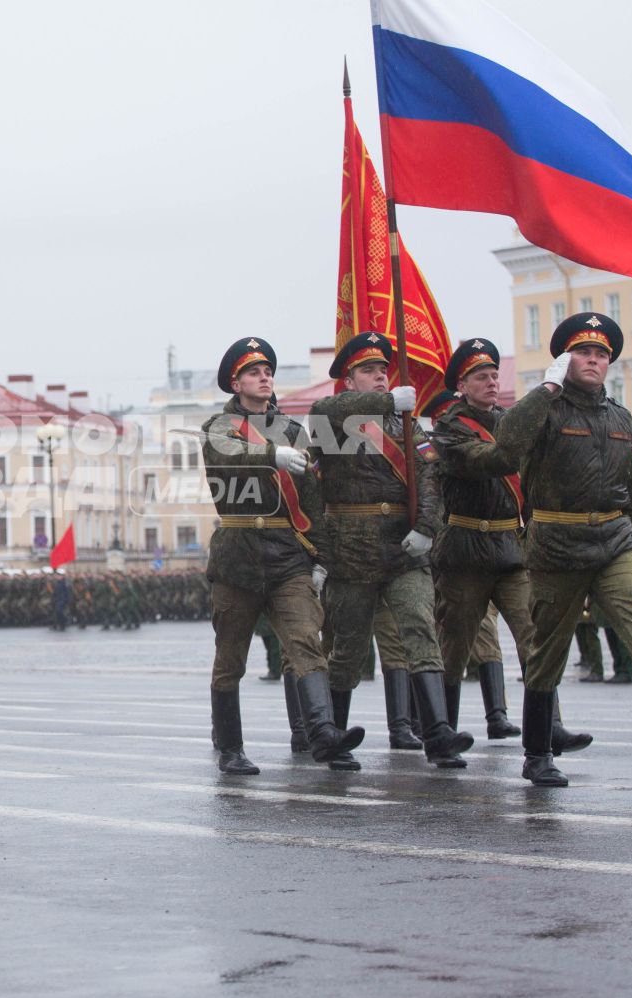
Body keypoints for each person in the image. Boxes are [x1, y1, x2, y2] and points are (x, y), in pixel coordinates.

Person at [462, 313, 632, 787]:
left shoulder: (619, 417)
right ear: (565, 359)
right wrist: (546, 390)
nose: (594, 360)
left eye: (601, 354)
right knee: (547, 650)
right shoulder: (546, 410)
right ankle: (537, 753)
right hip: (557, 543)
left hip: (613, 539)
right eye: (584, 352)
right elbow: (506, 444)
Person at [309, 332, 465, 768]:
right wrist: (386, 404)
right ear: (349, 382)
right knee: (349, 648)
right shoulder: (335, 418)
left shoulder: (408, 426)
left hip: (403, 548)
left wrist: (427, 528)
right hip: (352, 551)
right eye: (368, 372)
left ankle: (437, 733)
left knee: (421, 630)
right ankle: (334, 737)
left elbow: (431, 482)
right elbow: (324, 410)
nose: (379, 378)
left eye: (383, 371)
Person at [429, 338, 589, 753]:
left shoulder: (509, 419)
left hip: (510, 547)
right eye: (481, 377)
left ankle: (549, 726)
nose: (491, 382)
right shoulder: (449, 427)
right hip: (465, 549)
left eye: (495, 375)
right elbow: (492, 460)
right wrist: (544, 395)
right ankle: (441, 731)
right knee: (456, 644)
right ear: (462, 385)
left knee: (535, 638)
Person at [196, 338, 341, 774]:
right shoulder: (218, 426)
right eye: (254, 373)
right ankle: (230, 746)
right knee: (231, 658)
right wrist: (270, 454)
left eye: (267, 372)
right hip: (238, 557)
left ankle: (322, 733)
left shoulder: (295, 432)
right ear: (236, 383)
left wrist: (322, 559)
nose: (265, 378)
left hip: (288, 554)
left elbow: (315, 500)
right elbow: (227, 456)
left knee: (305, 643)